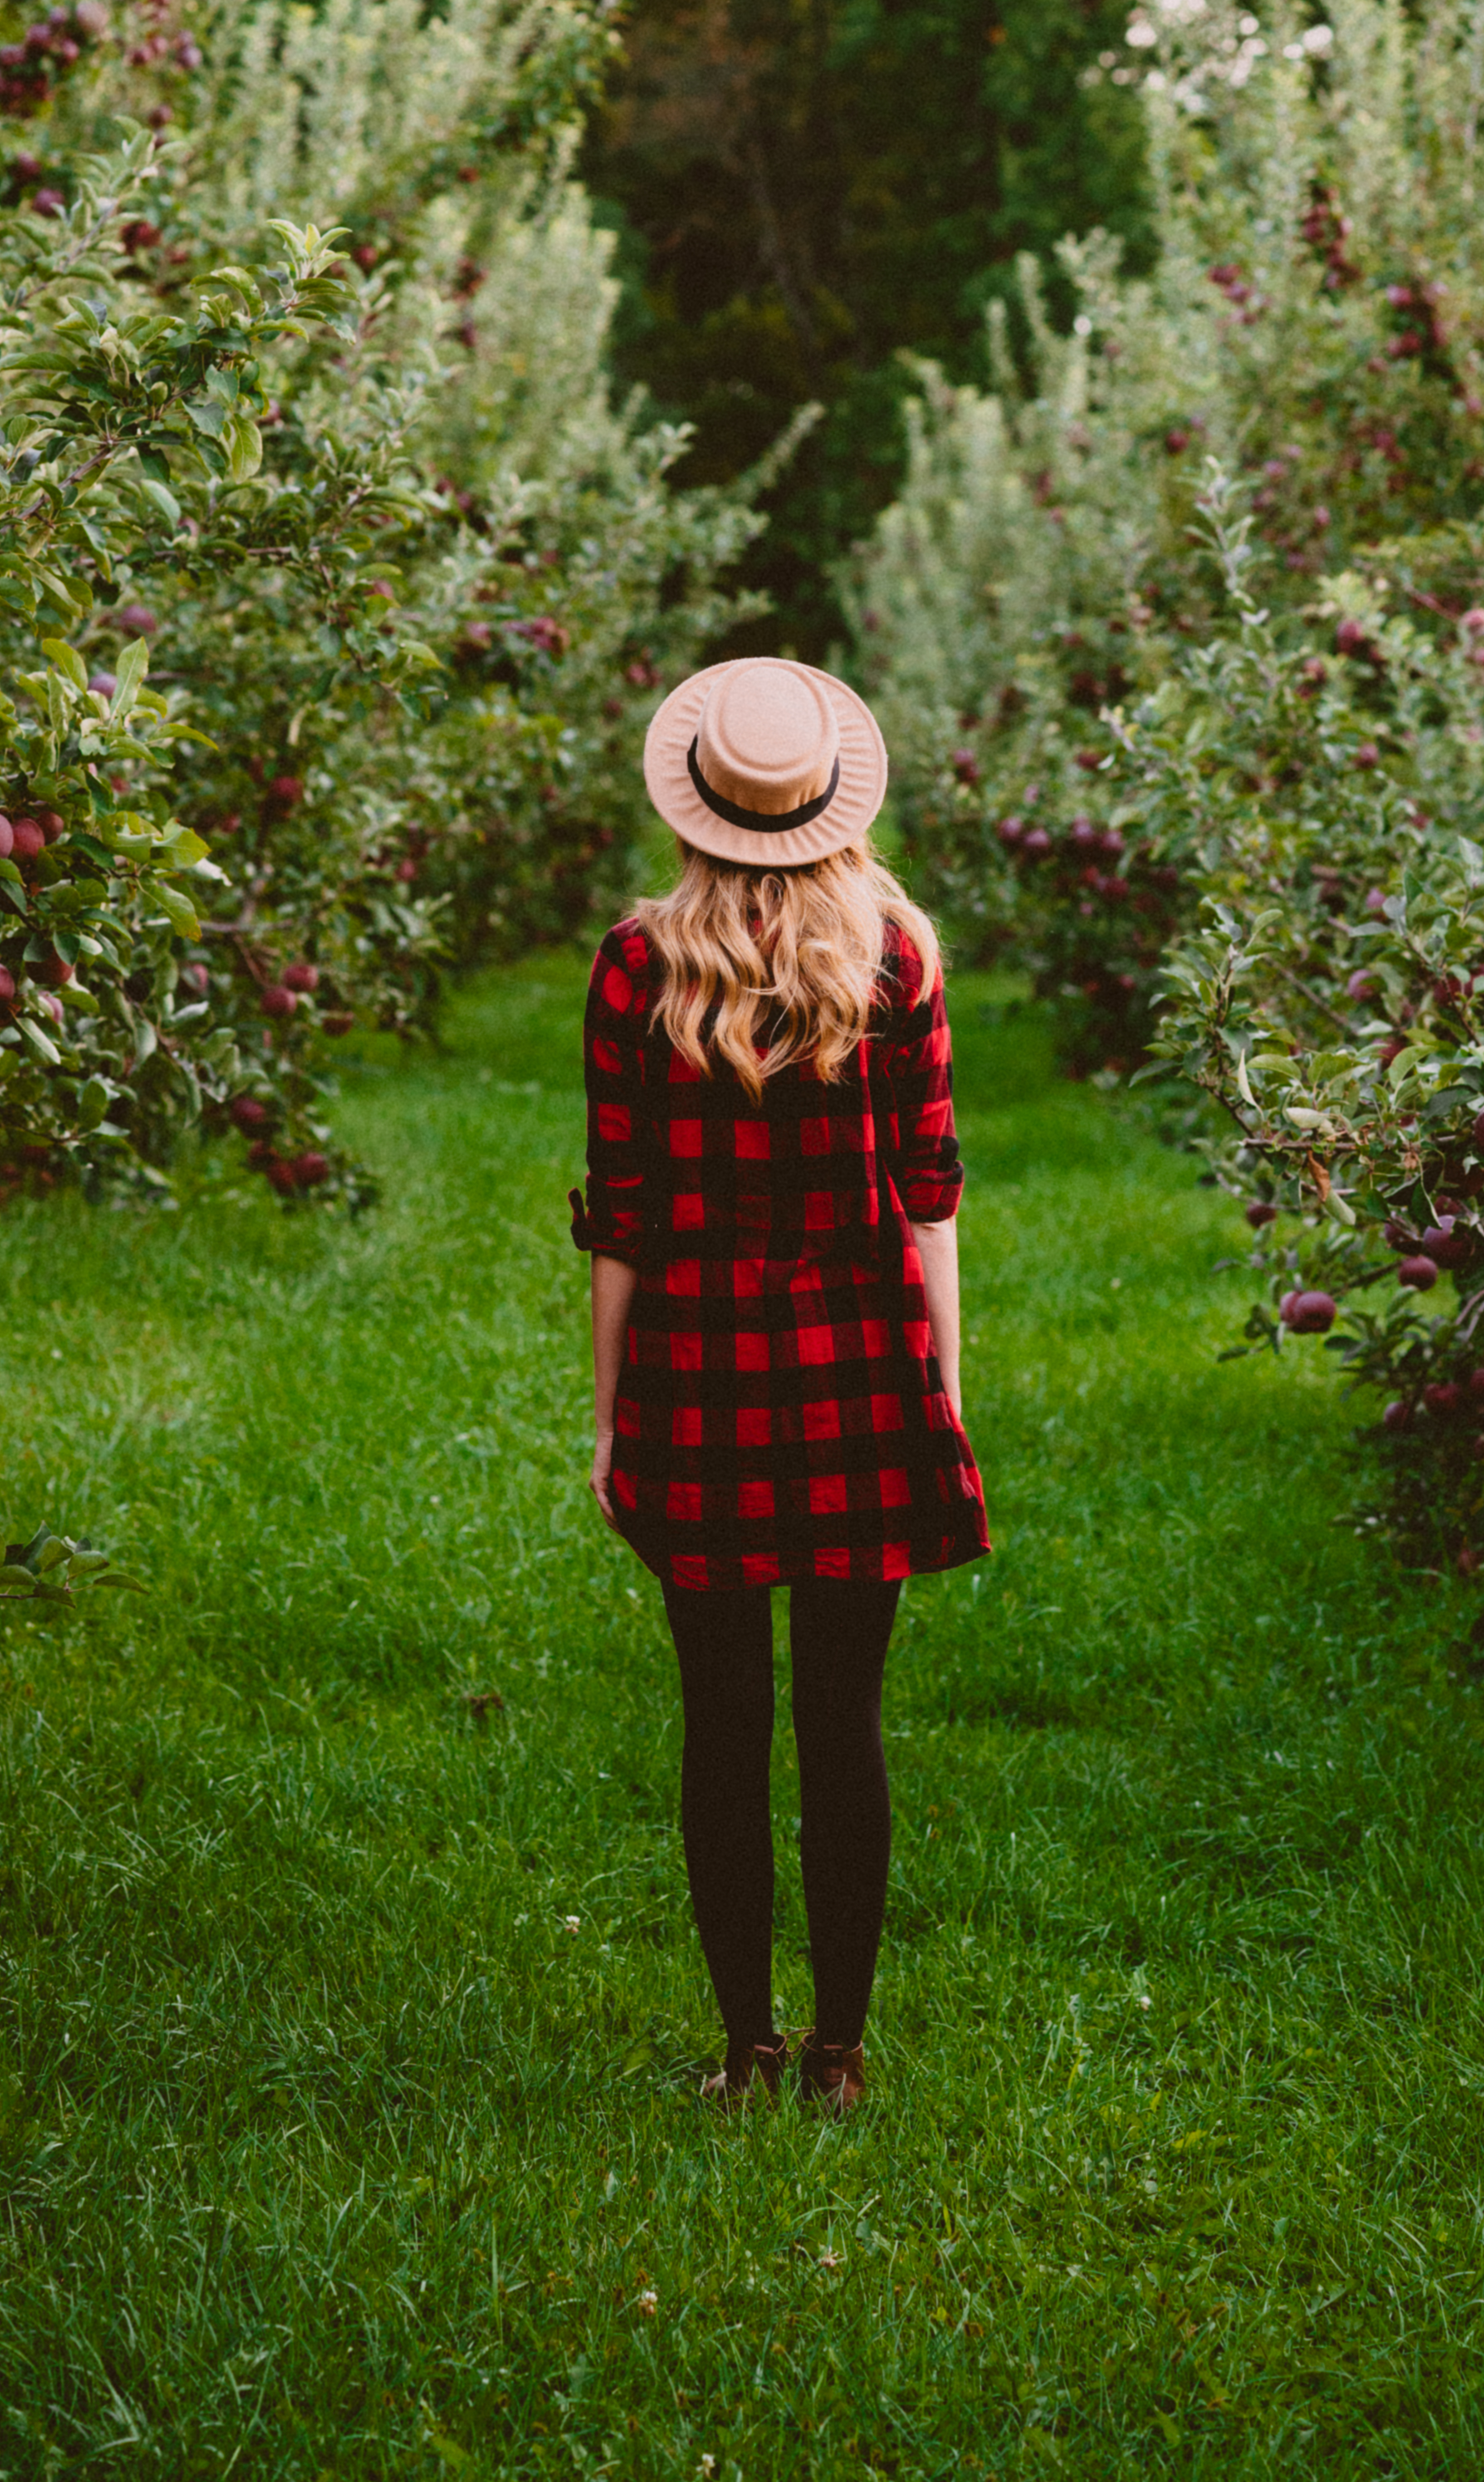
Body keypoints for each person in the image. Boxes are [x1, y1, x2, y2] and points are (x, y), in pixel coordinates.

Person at [573, 655, 990, 2115]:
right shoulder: (901, 956)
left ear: (697, 810)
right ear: (832, 803)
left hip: (703, 1384)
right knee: (845, 1716)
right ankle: (840, 2053)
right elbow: (929, 1202)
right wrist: (941, 1390)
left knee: (722, 1717)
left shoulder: (641, 967)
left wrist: (615, 1415)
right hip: (865, 1382)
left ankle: (746, 2045)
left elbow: (619, 1215)